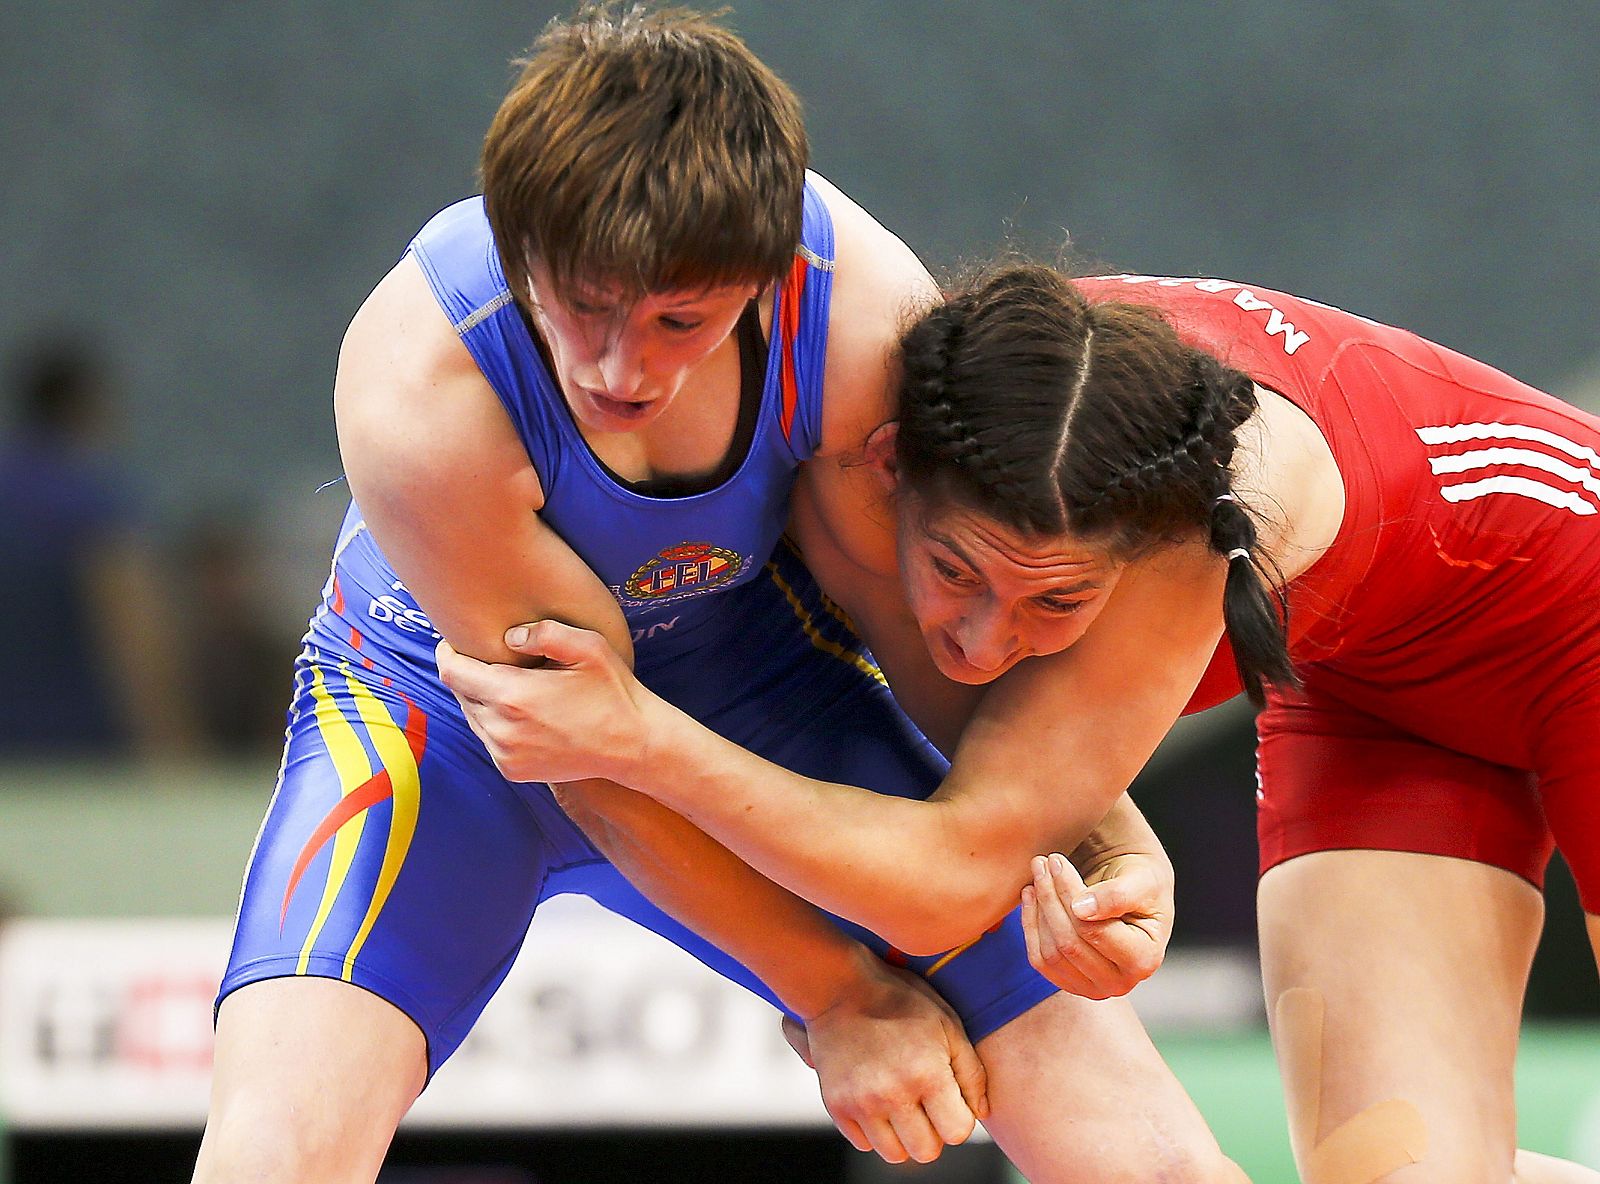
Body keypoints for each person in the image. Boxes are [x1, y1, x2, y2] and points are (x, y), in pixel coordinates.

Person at [196, 9, 1249, 1182]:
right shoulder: (420, 387)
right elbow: (576, 749)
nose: (615, 368)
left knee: (1151, 1159)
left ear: (760, 280)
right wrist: (841, 995)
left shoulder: (852, 320)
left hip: (754, 678)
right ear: (516, 237)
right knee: (269, 1157)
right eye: (581, 304)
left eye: (676, 322)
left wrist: (1100, 835)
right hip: (430, 715)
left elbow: (908, 626)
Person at [442, 262, 1600, 1183]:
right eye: (954, 573)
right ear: (891, 474)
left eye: (1055, 603)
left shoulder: (1192, 521)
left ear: (1126, 562)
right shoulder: (906, 428)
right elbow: (953, 804)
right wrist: (1107, 852)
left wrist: (638, 735)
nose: (984, 645)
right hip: (1364, 692)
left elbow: (943, 875)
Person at [0, 333, 201, 762]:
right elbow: (134, 635)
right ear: (84, 404)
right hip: (72, 754)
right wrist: (174, 749)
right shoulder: (87, 503)